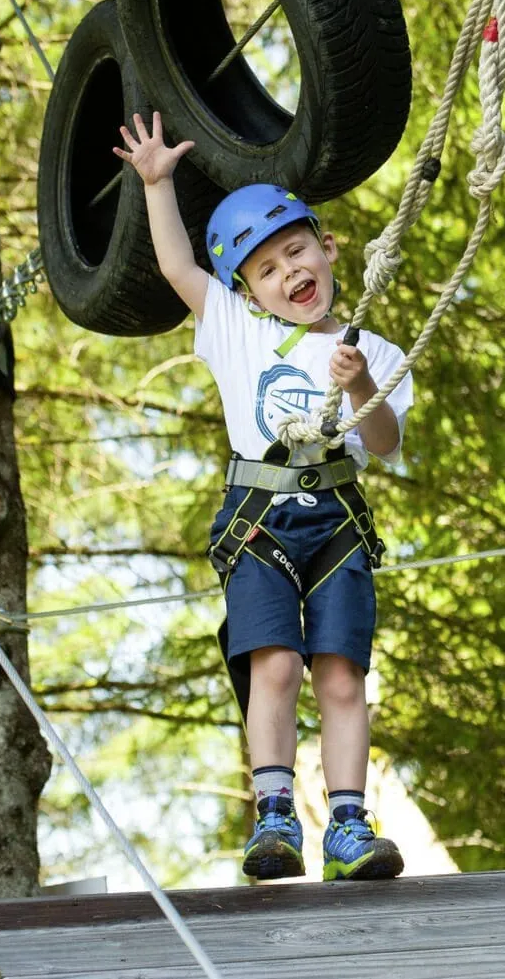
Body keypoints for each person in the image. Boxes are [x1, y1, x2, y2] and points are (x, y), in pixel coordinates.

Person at [114, 112, 411, 882]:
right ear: (247, 290)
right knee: (274, 666)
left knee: (342, 673)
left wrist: (364, 386)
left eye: (296, 252)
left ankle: (347, 823)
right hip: (261, 522)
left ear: (327, 246)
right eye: (268, 270)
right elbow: (181, 268)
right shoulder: (237, 329)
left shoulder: (374, 349)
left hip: (337, 522)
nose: (289, 274)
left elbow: (383, 443)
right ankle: (274, 816)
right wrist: (157, 184)